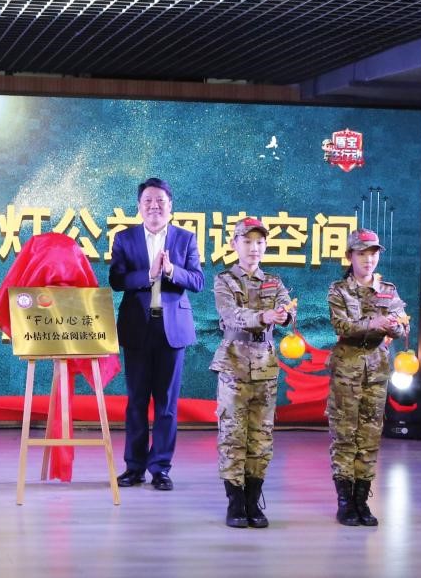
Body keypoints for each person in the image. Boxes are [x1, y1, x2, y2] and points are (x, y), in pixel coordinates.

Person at [109, 177, 204, 491]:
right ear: (139, 207)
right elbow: (116, 280)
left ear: (170, 206)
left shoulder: (185, 239)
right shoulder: (124, 239)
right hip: (137, 327)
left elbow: (198, 280)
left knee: (167, 405)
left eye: (160, 201)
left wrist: (171, 271)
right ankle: (134, 467)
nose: (154, 206)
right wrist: (147, 275)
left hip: (172, 330)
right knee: (136, 401)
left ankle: (160, 468)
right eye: (148, 201)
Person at [211, 217, 291, 527]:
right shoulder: (225, 280)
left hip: (265, 366)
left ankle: (253, 502)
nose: (253, 248)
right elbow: (231, 313)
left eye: (259, 242)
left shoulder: (274, 281)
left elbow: (287, 307)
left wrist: (284, 314)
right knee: (233, 435)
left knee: (261, 437)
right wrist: (264, 316)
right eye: (247, 241)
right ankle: (235, 504)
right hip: (234, 363)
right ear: (234, 244)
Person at [327, 228, 407, 527]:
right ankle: (345, 503)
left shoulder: (388, 289)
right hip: (347, 369)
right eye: (362, 253)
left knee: (370, 436)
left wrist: (395, 326)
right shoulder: (339, 290)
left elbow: (402, 324)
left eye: (373, 253)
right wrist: (374, 323)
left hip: (376, 368)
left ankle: (362, 500)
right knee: (345, 435)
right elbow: (342, 325)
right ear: (350, 256)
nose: (368, 259)